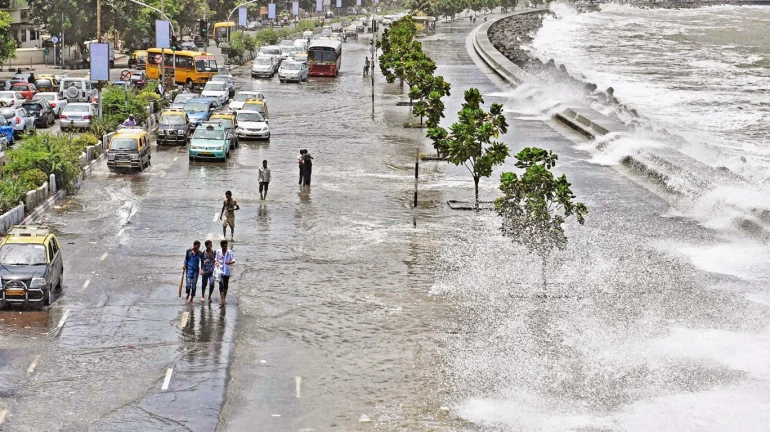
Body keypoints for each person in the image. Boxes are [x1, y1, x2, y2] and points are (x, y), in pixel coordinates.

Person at [216, 240, 235, 305]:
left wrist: (230, 262)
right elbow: (216, 259)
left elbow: (233, 260)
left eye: (227, 245)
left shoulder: (230, 252)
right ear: (221, 246)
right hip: (220, 271)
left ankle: (224, 298)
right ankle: (222, 300)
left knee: (226, 286)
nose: (226, 246)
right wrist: (217, 262)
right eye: (225, 245)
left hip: (227, 271)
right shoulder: (218, 251)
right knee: (221, 285)